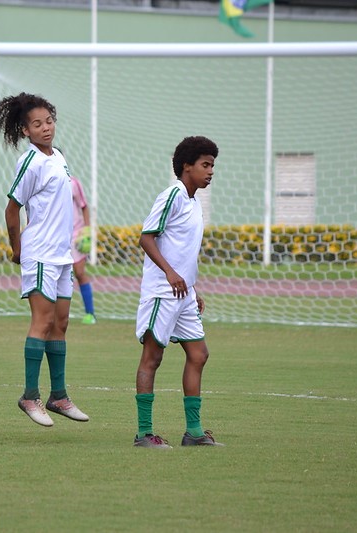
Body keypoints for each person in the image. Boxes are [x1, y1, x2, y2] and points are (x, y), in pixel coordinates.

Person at [0, 92, 89, 427]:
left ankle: (59, 395)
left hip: (62, 256)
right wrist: (17, 248)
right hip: (39, 254)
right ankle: (29, 396)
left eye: (49, 121)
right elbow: (11, 209)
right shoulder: (30, 161)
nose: (46, 127)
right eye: (37, 124)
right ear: (25, 131)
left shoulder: (58, 158)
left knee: (61, 323)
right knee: (43, 321)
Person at [133, 135, 223, 449]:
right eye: (205, 164)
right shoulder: (171, 195)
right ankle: (144, 433)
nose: (211, 171)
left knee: (199, 354)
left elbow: (183, 250)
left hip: (183, 294)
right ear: (187, 166)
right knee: (152, 358)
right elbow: (146, 238)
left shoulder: (194, 201)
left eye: (213, 165)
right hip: (161, 291)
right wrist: (170, 273)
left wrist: (192, 287)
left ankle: (194, 433)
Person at [70, 175, 97, 324]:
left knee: (79, 273)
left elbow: (84, 206)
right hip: (57, 235)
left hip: (76, 234)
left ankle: (90, 313)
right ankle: (54, 312)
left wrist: (86, 231)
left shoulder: (73, 183)